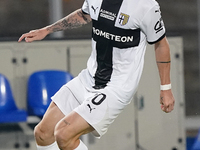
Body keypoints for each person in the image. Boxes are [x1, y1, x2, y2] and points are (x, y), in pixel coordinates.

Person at [18, 0, 175, 149]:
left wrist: (165, 88)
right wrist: (46, 30)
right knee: (43, 133)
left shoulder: (146, 6)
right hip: (89, 78)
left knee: (63, 133)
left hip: (117, 87)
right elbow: (83, 15)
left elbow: (161, 44)